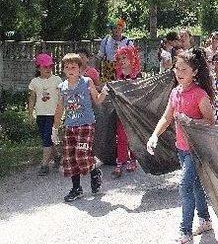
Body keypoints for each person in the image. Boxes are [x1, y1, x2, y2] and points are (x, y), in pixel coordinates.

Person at [146, 48, 215, 244]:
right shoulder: (175, 92)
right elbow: (167, 117)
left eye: (183, 69)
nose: (179, 72)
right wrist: (154, 135)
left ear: (194, 72)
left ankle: (185, 233)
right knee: (194, 186)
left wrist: (191, 121)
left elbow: (211, 122)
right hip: (182, 148)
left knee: (185, 186)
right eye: (177, 68)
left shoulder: (200, 95)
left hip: (197, 149)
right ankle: (204, 220)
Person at [53, 53, 109, 202]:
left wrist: (103, 93)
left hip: (86, 125)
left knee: (81, 155)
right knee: (70, 159)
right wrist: (54, 128)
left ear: (80, 69)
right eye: (67, 67)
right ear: (63, 69)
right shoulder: (61, 87)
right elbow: (59, 108)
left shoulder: (86, 82)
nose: (70, 70)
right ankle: (76, 188)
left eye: (73, 67)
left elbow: (97, 100)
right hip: (70, 126)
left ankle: (95, 171)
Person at [28, 53, 63, 176]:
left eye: (50, 66)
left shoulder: (57, 80)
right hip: (40, 114)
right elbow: (32, 98)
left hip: (52, 114)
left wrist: (61, 112)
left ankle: (44, 165)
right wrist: (30, 113)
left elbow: (61, 97)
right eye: (45, 67)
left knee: (47, 138)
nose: (48, 69)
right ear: (38, 68)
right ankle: (58, 157)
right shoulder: (34, 82)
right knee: (46, 138)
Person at [112, 46, 142, 177]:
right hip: (120, 110)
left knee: (132, 136)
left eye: (124, 57)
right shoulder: (118, 74)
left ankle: (133, 159)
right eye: (119, 58)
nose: (122, 61)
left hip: (133, 111)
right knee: (121, 136)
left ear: (131, 57)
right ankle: (121, 160)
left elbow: (140, 92)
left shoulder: (137, 74)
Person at [97, 18, 133, 83]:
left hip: (123, 71)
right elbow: (99, 57)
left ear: (122, 30)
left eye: (119, 28)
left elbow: (132, 59)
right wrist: (97, 72)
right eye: (115, 28)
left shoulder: (128, 43)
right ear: (111, 29)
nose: (117, 30)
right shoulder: (105, 41)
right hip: (108, 71)